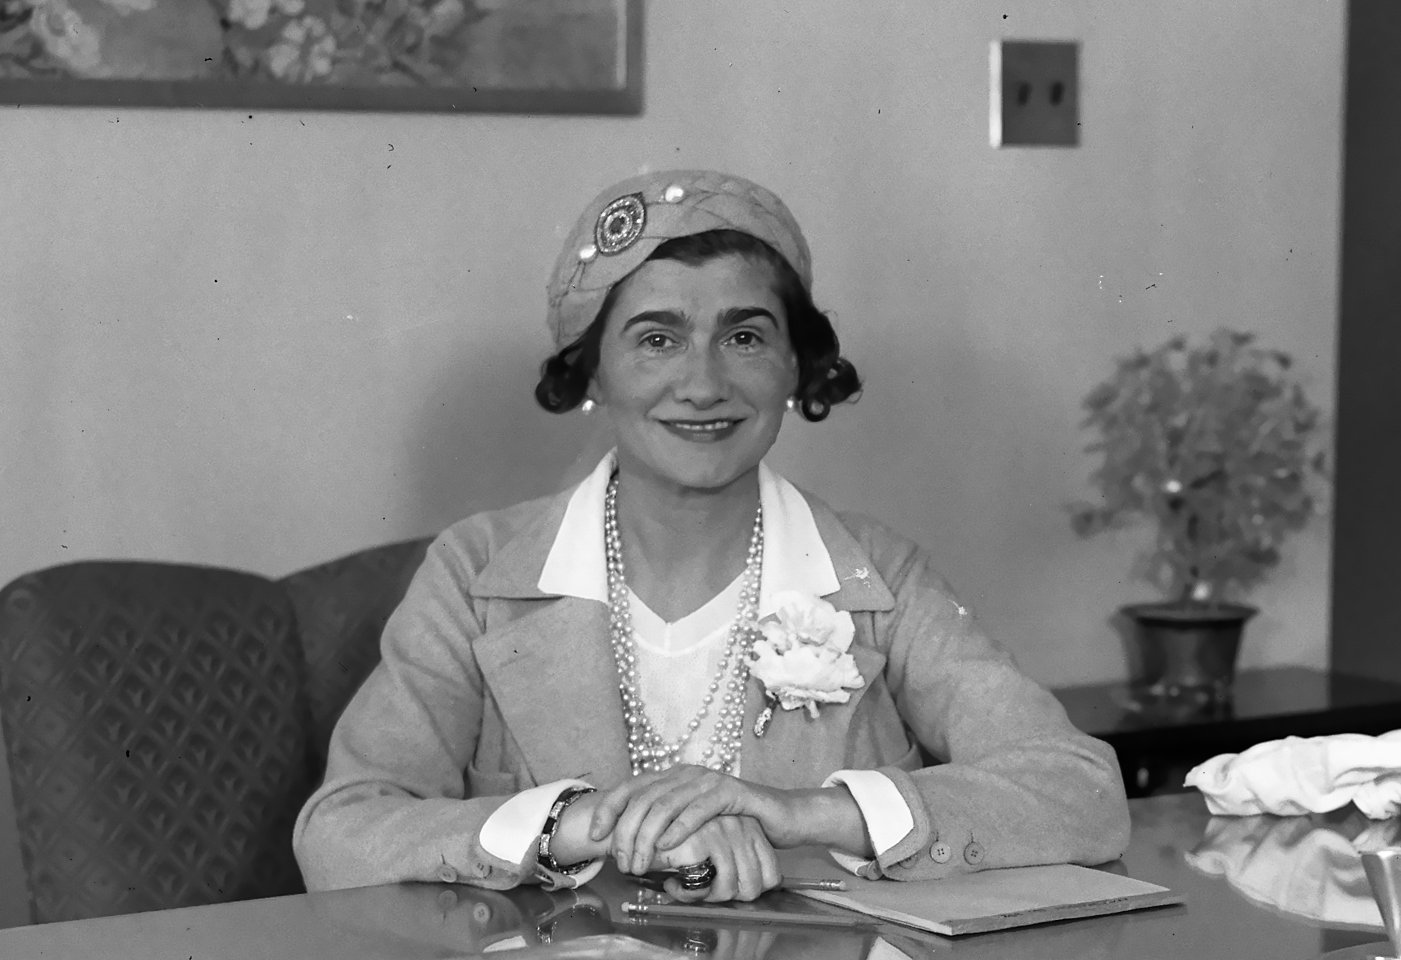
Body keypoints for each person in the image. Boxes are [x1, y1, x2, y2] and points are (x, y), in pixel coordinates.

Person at [293, 169, 1130, 903]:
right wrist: (583, 826)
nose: (703, 383)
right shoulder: (475, 574)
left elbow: (1081, 793)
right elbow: (342, 829)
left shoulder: (880, 574)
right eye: (656, 339)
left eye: (743, 336)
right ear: (591, 372)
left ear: (795, 367)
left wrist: (801, 814)